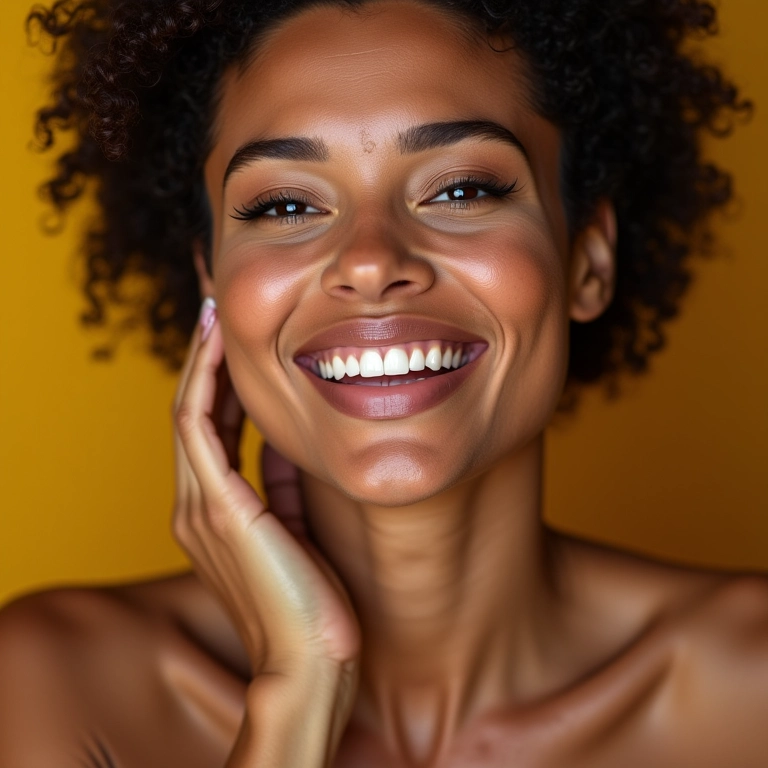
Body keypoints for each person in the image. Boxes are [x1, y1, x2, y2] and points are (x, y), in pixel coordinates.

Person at [0, 0, 764, 766]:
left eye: (462, 189)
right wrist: (298, 690)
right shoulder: (54, 687)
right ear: (214, 283)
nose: (369, 261)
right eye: (287, 204)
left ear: (586, 261)